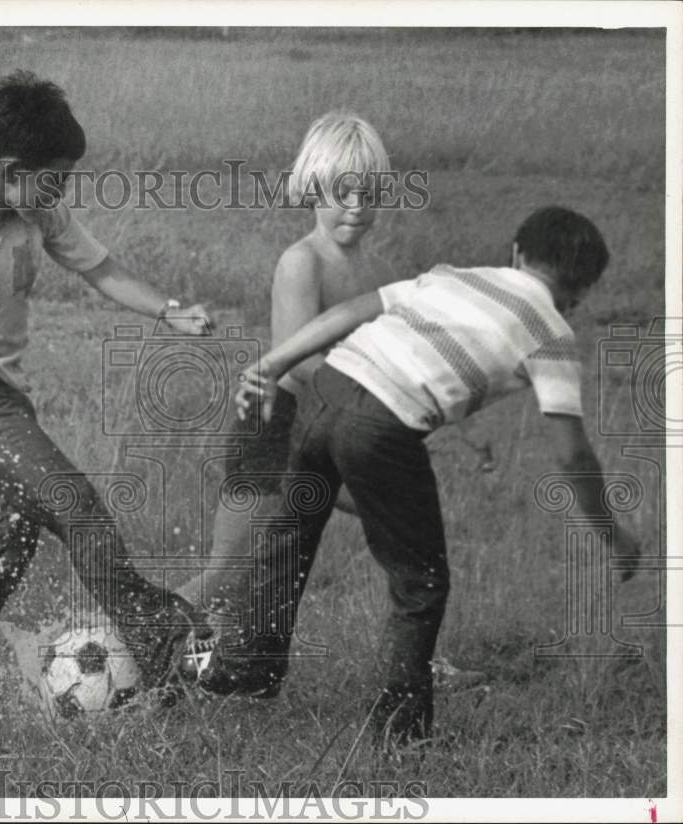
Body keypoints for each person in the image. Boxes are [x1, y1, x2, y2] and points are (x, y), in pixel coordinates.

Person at [225, 205, 640, 745]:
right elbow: (572, 454)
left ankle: (243, 675)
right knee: (419, 582)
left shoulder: (452, 276)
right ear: (583, 291)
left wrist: (272, 362)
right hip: (379, 429)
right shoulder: (553, 334)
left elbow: (354, 309)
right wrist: (612, 532)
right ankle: (399, 736)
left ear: (515, 252)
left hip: (327, 387)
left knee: (288, 539)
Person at [0, 70, 213, 716]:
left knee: (10, 535)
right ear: (5, 168)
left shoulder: (37, 208)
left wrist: (168, 310)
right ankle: (165, 640)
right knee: (72, 503)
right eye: (54, 178)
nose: (62, 192)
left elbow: (101, 268)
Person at [177, 110, 395, 696]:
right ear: (311, 189)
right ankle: (132, 638)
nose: (354, 204)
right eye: (339, 191)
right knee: (230, 570)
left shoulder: (373, 269)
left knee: (397, 532)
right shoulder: (304, 261)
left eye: (367, 191)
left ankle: (411, 656)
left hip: (332, 429)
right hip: (276, 427)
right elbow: (301, 360)